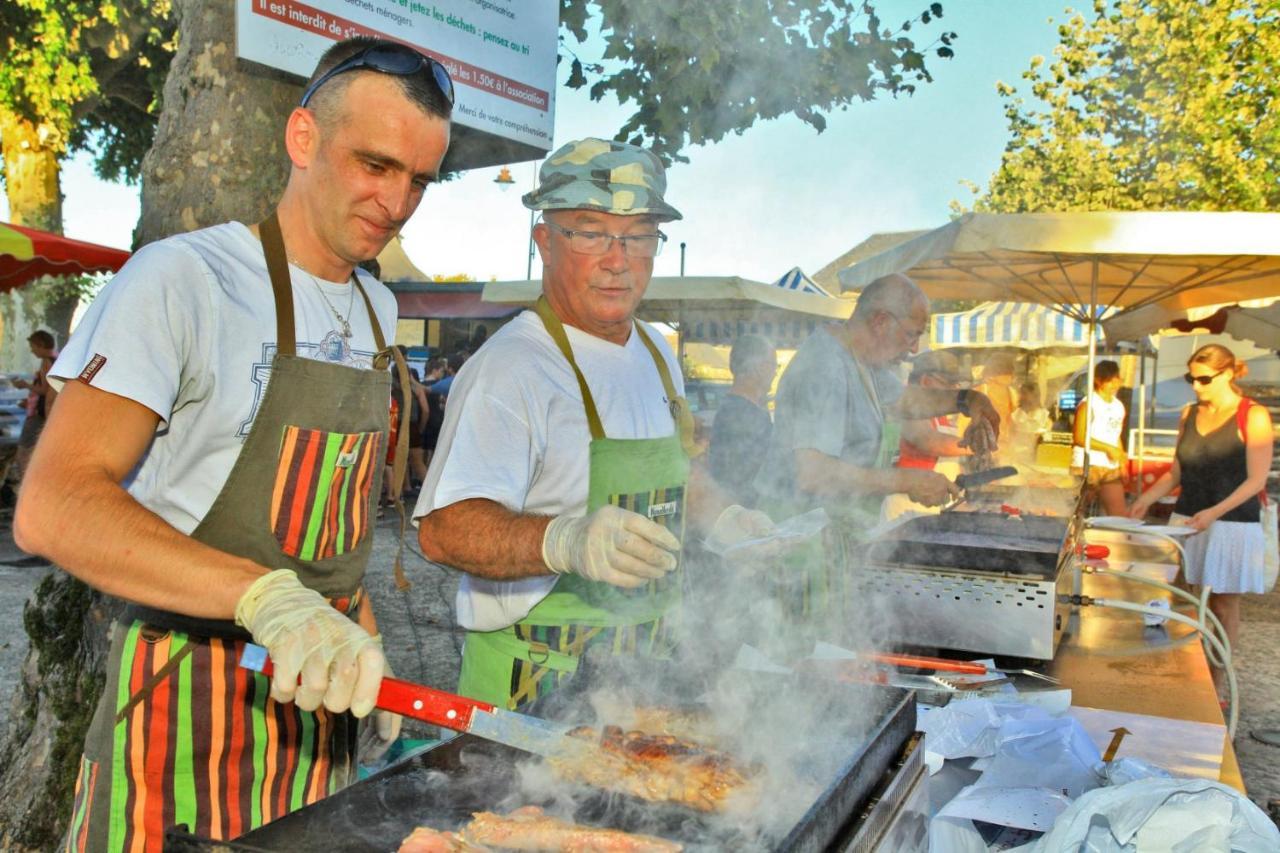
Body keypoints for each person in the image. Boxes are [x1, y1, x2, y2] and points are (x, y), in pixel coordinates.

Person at [13, 36, 453, 848]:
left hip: (317, 708)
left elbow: (331, 525)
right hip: (180, 708)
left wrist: (352, 620)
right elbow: (53, 506)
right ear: (302, 138)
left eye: (418, 180)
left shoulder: (376, 312)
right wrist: (265, 595)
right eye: (375, 165)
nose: (396, 203)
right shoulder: (184, 280)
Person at [415, 138, 768, 710]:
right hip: (533, 679)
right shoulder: (513, 366)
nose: (617, 258)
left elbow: (678, 470)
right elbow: (443, 528)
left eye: (637, 236)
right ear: (545, 243)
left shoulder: (656, 350)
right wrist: (565, 541)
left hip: (645, 672)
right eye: (589, 231)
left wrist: (725, 515)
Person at [1129, 344, 1273, 692]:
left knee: (1223, 604)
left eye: (1204, 379)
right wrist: (1145, 499)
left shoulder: (1252, 415)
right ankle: (1190, 676)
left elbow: (1257, 479)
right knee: (1189, 599)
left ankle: (1217, 683)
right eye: (1190, 378)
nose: (1196, 386)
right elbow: (1177, 470)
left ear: (1227, 373)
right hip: (1188, 517)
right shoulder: (1188, 413)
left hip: (1233, 522)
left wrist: (1213, 512)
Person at [707, 335, 777, 507]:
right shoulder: (743, 415)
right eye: (774, 365)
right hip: (745, 517)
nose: (775, 372)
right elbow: (744, 480)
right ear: (759, 367)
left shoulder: (734, 408)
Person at [897, 349, 972, 471]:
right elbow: (929, 440)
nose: (954, 390)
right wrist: (975, 446)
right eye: (949, 383)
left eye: (956, 384)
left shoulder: (939, 412)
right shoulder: (909, 404)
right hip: (912, 486)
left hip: (939, 487)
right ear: (926, 381)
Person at [1071, 359, 1128, 515]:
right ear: (1098, 380)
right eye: (1110, 381)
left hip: (1110, 466)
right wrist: (1108, 448)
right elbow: (1079, 437)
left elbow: (1115, 433)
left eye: (1117, 380)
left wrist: (1121, 461)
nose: (1114, 385)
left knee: (1118, 512)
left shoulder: (1118, 406)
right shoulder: (1088, 403)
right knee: (1079, 511)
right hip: (1087, 463)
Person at [12, 329, 59, 483]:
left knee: (23, 454)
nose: (32, 351)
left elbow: (46, 390)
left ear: (41, 345)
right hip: (46, 415)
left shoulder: (48, 361)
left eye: (33, 346)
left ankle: (25, 486)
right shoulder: (58, 359)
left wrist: (25, 385)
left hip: (39, 416)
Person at [975, 351, 1018, 439]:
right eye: (1007, 372)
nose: (1011, 375)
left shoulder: (1012, 393)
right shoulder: (979, 392)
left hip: (1000, 443)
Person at [1009, 381, 1053, 464]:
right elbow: (1010, 436)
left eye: (1025, 394)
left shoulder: (1044, 416)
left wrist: (1039, 435)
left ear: (1035, 396)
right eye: (1021, 394)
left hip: (1038, 458)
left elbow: (1046, 439)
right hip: (1018, 459)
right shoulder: (1016, 415)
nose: (1021, 397)